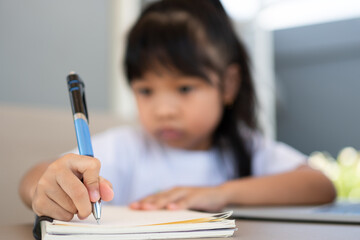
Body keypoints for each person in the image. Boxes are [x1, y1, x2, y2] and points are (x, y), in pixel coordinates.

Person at [19, 0, 336, 221]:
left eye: (184, 88)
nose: (163, 109)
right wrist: (47, 185)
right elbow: (33, 179)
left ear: (228, 85)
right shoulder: (128, 147)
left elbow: (321, 186)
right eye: (145, 91)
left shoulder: (246, 147)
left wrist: (219, 193)